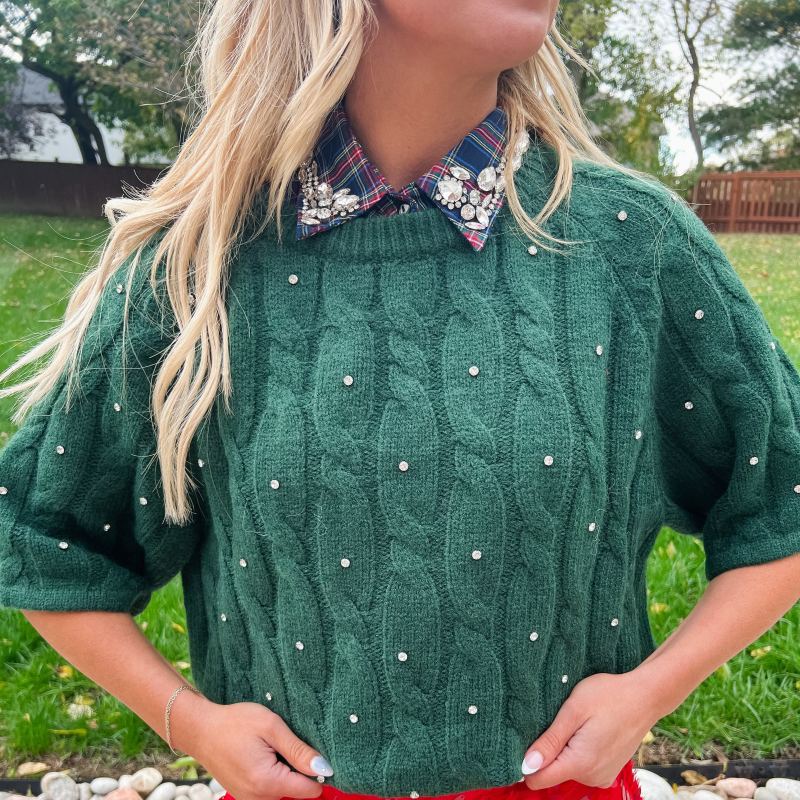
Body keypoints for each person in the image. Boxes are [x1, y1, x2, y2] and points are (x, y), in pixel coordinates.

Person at [1, 3, 800, 800]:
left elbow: (783, 498)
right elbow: (41, 535)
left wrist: (651, 691)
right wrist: (191, 723)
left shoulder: (629, 243)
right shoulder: (198, 266)